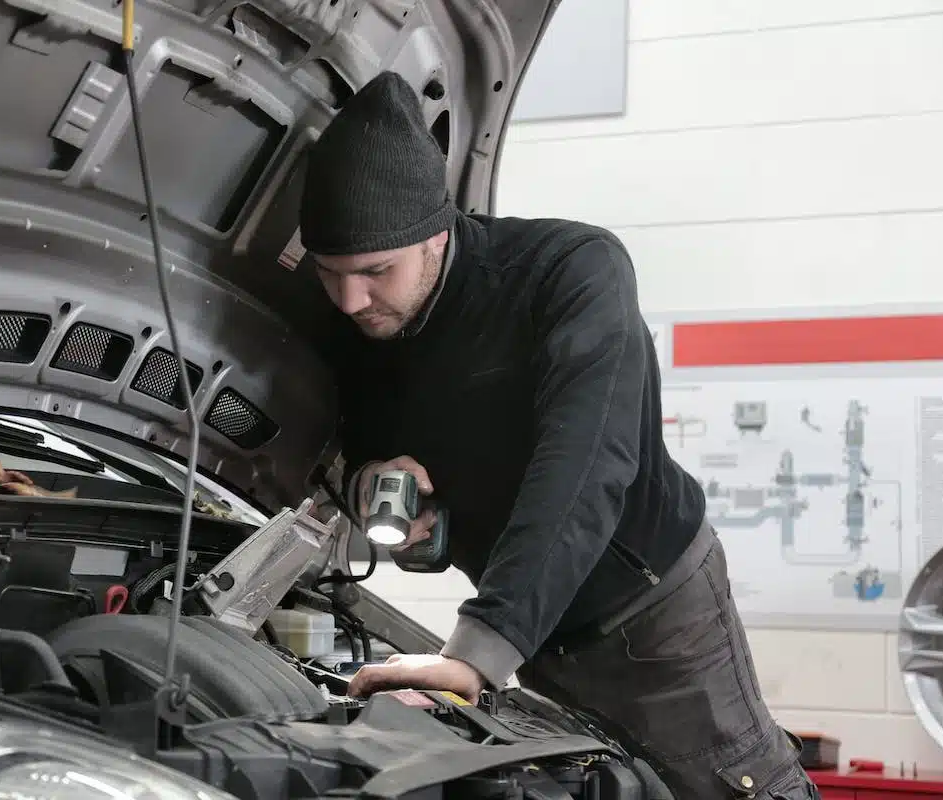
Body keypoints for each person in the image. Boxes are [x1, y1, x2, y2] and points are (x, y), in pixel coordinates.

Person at [298, 71, 817, 799]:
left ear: (438, 233)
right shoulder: (355, 321)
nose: (350, 299)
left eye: (375, 271)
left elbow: (586, 464)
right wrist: (379, 495)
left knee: (732, 788)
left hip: (652, 617)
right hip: (532, 630)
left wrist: (477, 653)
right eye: (329, 273)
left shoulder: (569, 273)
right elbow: (350, 445)